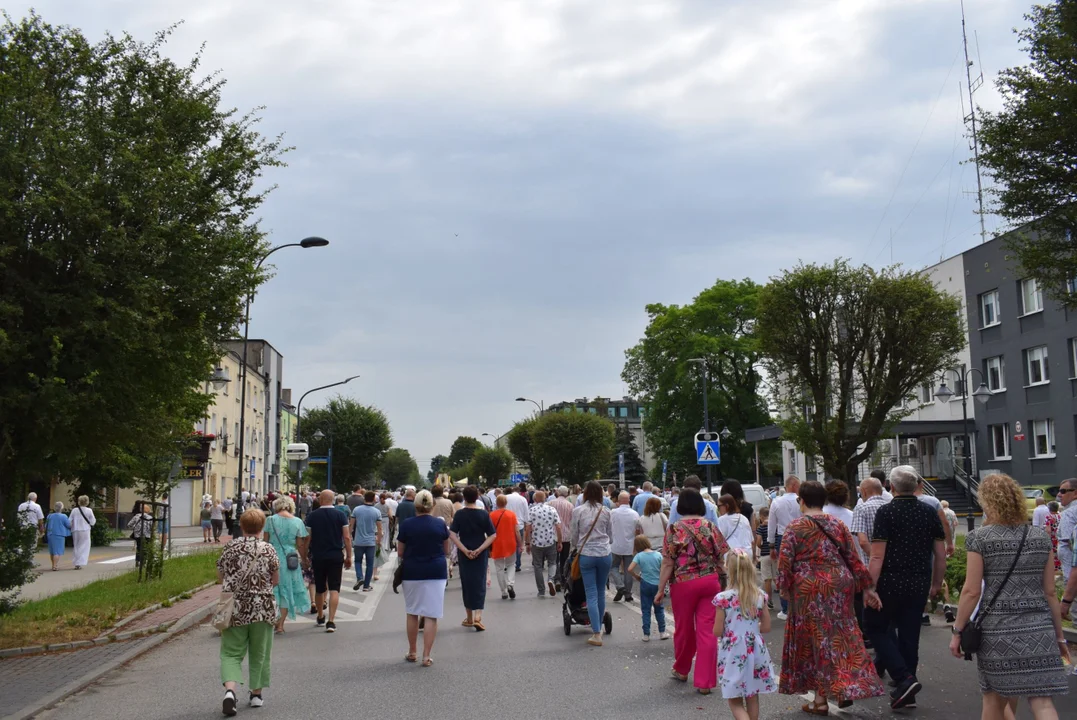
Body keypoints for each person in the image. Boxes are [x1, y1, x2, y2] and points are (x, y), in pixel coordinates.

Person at [950, 473, 1070, 720]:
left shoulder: (979, 538)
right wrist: (1059, 638)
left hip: (998, 633)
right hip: (1039, 630)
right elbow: (1049, 592)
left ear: (987, 502)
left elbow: (972, 591)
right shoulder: (1040, 537)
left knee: (994, 700)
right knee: (1043, 702)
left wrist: (957, 631)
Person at [777, 480, 884, 714]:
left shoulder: (795, 527)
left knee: (813, 642)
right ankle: (835, 690)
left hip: (808, 587)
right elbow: (852, 557)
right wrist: (867, 587)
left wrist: (783, 587)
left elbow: (785, 562)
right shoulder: (837, 524)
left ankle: (823, 697)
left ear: (801, 500)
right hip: (839, 584)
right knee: (840, 637)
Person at [865, 465, 947, 709]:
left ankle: (903, 677)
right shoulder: (929, 511)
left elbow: (877, 556)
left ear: (891, 487)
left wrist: (869, 586)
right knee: (910, 633)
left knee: (874, 626)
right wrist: (936, 583)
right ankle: (906, 690)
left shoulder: (886, 512)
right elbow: (940, 554)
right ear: (916, 486)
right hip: (919, 580)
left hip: (890, 580)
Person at [655, 487, 728, 694]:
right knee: (708, 631)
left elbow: (668, 562)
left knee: (684, 628)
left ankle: (682, 669)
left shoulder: (674, 529)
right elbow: (721, 558)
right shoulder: (710, 526)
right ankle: (705, 682)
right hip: (709, 582)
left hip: (683, 583)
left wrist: (660, 589)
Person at [218, 508, 279, 716]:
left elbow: (221, 576)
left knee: (231, 652)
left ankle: (229, 692)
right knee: (259, 651)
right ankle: (255, 695)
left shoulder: (230, 547)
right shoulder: (268, 549)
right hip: (263, 608)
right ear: (262, 527)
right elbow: (275, 580)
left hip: (235, 608)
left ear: (242, 526)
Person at [713, 548, 777, 720]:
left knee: (734, 699)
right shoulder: (760, 596)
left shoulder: (723, 598)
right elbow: (766, 627)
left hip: (733, 651)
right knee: (752, 694)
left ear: (729, 569)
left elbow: (717, 631)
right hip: (755, 649)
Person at [397, 490, 450, 667]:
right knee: (431, 614)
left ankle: (412, 651)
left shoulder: (406, 525)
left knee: (412, 611)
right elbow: (447, 550)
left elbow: (400, 551)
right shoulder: (440, 525)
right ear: (432, 505)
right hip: (435, 570)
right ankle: (426, 656)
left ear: (416, 505)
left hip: (412, 571)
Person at [569, 480, 613, 647]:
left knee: (591, 594)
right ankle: (599, 627)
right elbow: (611, 536)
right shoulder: (607, 511)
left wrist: (576, 547)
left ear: (585, 493)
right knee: (601, 592)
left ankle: (596, 633)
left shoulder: (578, 511)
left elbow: (574, 535)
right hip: (604, 554)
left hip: (586, 554)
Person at [304, 489, 352, 633]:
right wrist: (349, 556)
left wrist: (305, 555)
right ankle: (331, 621)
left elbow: (308, 538)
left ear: (320, 499)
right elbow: (347, 537)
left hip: (318, 556)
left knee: (320, 588)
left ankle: (320, 616)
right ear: (333, 499)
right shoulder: (341, 515)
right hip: (336, 555)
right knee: (334, 588)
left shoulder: (312, 516)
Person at [450, 485, 497, 631]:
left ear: (464, 497)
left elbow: (452, 534)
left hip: (465, 554)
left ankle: (469, 617)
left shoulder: (459, 514)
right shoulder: (483, 514)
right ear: (477, 497)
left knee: (467, 583)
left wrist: (463, 549)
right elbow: (492, 535)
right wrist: (480, 549)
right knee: (479, 582)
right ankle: (478, 616)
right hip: (480, 552)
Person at [264, 496, 310, 634]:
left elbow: (265, 542)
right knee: (286, 590)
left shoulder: (270, 520)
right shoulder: (297, 521)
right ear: (291, 507)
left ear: (276, 506)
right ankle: (280, 625)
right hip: (290, 559)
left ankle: (273, 620)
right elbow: (300, 544)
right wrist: (304, 559)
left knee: (273, 590)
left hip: (271, 556)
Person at [767, 475, 801, 619]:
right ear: (793, 485)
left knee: (783, 570)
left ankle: (785, 608)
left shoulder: (776, 502)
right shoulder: (801, 501)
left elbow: (771, 524)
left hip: (782, 536)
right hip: (800, 535)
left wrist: (771, 544)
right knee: (800, 568)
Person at [628, 534, 668, 641]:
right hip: (657, 585)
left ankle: (646, 634)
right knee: (659, 609)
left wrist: (637, 576)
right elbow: (663, 569)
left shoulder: (639, 556)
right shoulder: (658, 555)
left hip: (645, 583)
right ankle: (662, 632)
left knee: (646, 610)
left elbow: (630, 569)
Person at [525, 490, 562, 598]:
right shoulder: (552, 509)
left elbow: (528, 528)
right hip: (550, 541)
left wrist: (527, 543)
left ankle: (541, 590)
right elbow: (558, 527)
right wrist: (559, 541)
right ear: (545, 498)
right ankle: (550, 579)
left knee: (537, 565)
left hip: (537, 542)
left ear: (535, 499)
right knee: (552, 563)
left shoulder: (532, 510)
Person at [609, 491, 640, 602]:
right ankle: (627, 594)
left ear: (618, 500)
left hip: (615, 545)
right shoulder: (635, 514)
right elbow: (638, 530)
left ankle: (619, 585)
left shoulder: (613, 512)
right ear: (629, 500)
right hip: (629, 546)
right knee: (628, 570)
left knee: (613, 567)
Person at [350, 491, 383, 592]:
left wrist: (350, 537)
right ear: (373, 499)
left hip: (358, 541)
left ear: (364, 498)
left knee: (357, 561)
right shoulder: (376, 512)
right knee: (370, 564)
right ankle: (366, 586)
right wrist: (379, 540)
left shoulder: (356, 510)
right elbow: (380, 529)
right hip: (370, 542)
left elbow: (351, 525)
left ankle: (360, 577)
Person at [488, 495, 519, 600]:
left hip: (497, 543)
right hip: (510, 542)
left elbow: (488, 532)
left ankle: (504, 591)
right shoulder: (511, 514)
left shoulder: (491, 515)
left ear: (496, 503)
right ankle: (510, 583)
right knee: (511, 564)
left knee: (499, 568)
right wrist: (521, 543)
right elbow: (517, 531)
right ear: (506, 503)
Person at [550, 486, 575, 589]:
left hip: (553, 535)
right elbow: (572, 522)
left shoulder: (551, 504)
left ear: (558, 492)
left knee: (554, 559)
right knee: (564, 559)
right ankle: (564, 579)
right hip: (566, 536)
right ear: (567, 493)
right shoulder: (570, 506)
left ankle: (556, 579)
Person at [505, 484, 530, 573]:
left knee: (508, 545)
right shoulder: (522, 499)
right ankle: (517, 564)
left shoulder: (506, 498)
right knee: (518, 545)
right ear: (519, 491)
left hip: (507, 524)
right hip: (519, 524)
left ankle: (508, 563)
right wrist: (527, 523)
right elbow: (526, 513)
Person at [1056, 478, 1077, 583]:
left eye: (1063, 491)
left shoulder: (1068, 513)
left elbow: (1069, 542)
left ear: (1075, 493)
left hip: (1072, 574)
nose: (1059, 494)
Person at [755, 507, 774, 609]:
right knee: (776, 577)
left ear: (761, 516)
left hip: (765, 554)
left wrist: (761, 547)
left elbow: (758, 542)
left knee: (767, 579)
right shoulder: (773, 525)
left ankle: (769, 600)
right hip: (774, 554)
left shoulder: (761, 528)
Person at [69, 495, 96, 570]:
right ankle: (80, 562)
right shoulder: (89, 510)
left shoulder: (74, 510)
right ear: (87, 502)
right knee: (84, 546)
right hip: (85, 530)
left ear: (79, 502)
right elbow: (93, 521)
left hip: (75, 530)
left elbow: (69, 520)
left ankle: (76, 562)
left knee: (76, 546)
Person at [44, 502, 71, 571]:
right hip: (59, 535)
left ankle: (53, 565)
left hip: (50, 534)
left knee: (52, 551)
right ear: (61, 508)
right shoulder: (64, 516)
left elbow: (46, 525)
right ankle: (55, 566)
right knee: (57, 551)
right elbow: (69, 525)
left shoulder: (49, 516)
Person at [127, 502, 154, 569]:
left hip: (138, 535)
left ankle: (137, 561)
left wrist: (134, 528)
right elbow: (152, 528)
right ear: (147, 510)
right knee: (145, 548)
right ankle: (143, 561)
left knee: (139, 547)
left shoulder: (136, 516)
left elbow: (129, 525)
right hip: (147, 535)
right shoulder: (150, 517)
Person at [1045, 501, 1062, 573]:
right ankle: (1059, 569)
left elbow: (1048, 530)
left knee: (1052, 555)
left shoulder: (1049, 517)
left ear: (1049, 509)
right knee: (1058, 554)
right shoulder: (1060, 516)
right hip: (1059, 537)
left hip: (1052, 538)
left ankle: (1054, 571)